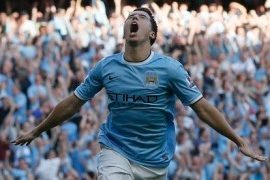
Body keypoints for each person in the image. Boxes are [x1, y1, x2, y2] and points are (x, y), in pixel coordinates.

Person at [11, 7, 267, 180]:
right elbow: (72, 104)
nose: (134, 18)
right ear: (124, 30)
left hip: (155, 161)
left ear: (152, 34)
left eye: (142, 18)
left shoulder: (170, 69)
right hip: (115, 149)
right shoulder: (106, 67)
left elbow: (203, 108)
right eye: (131, 16)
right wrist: (38, 130)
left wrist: (238, 140)